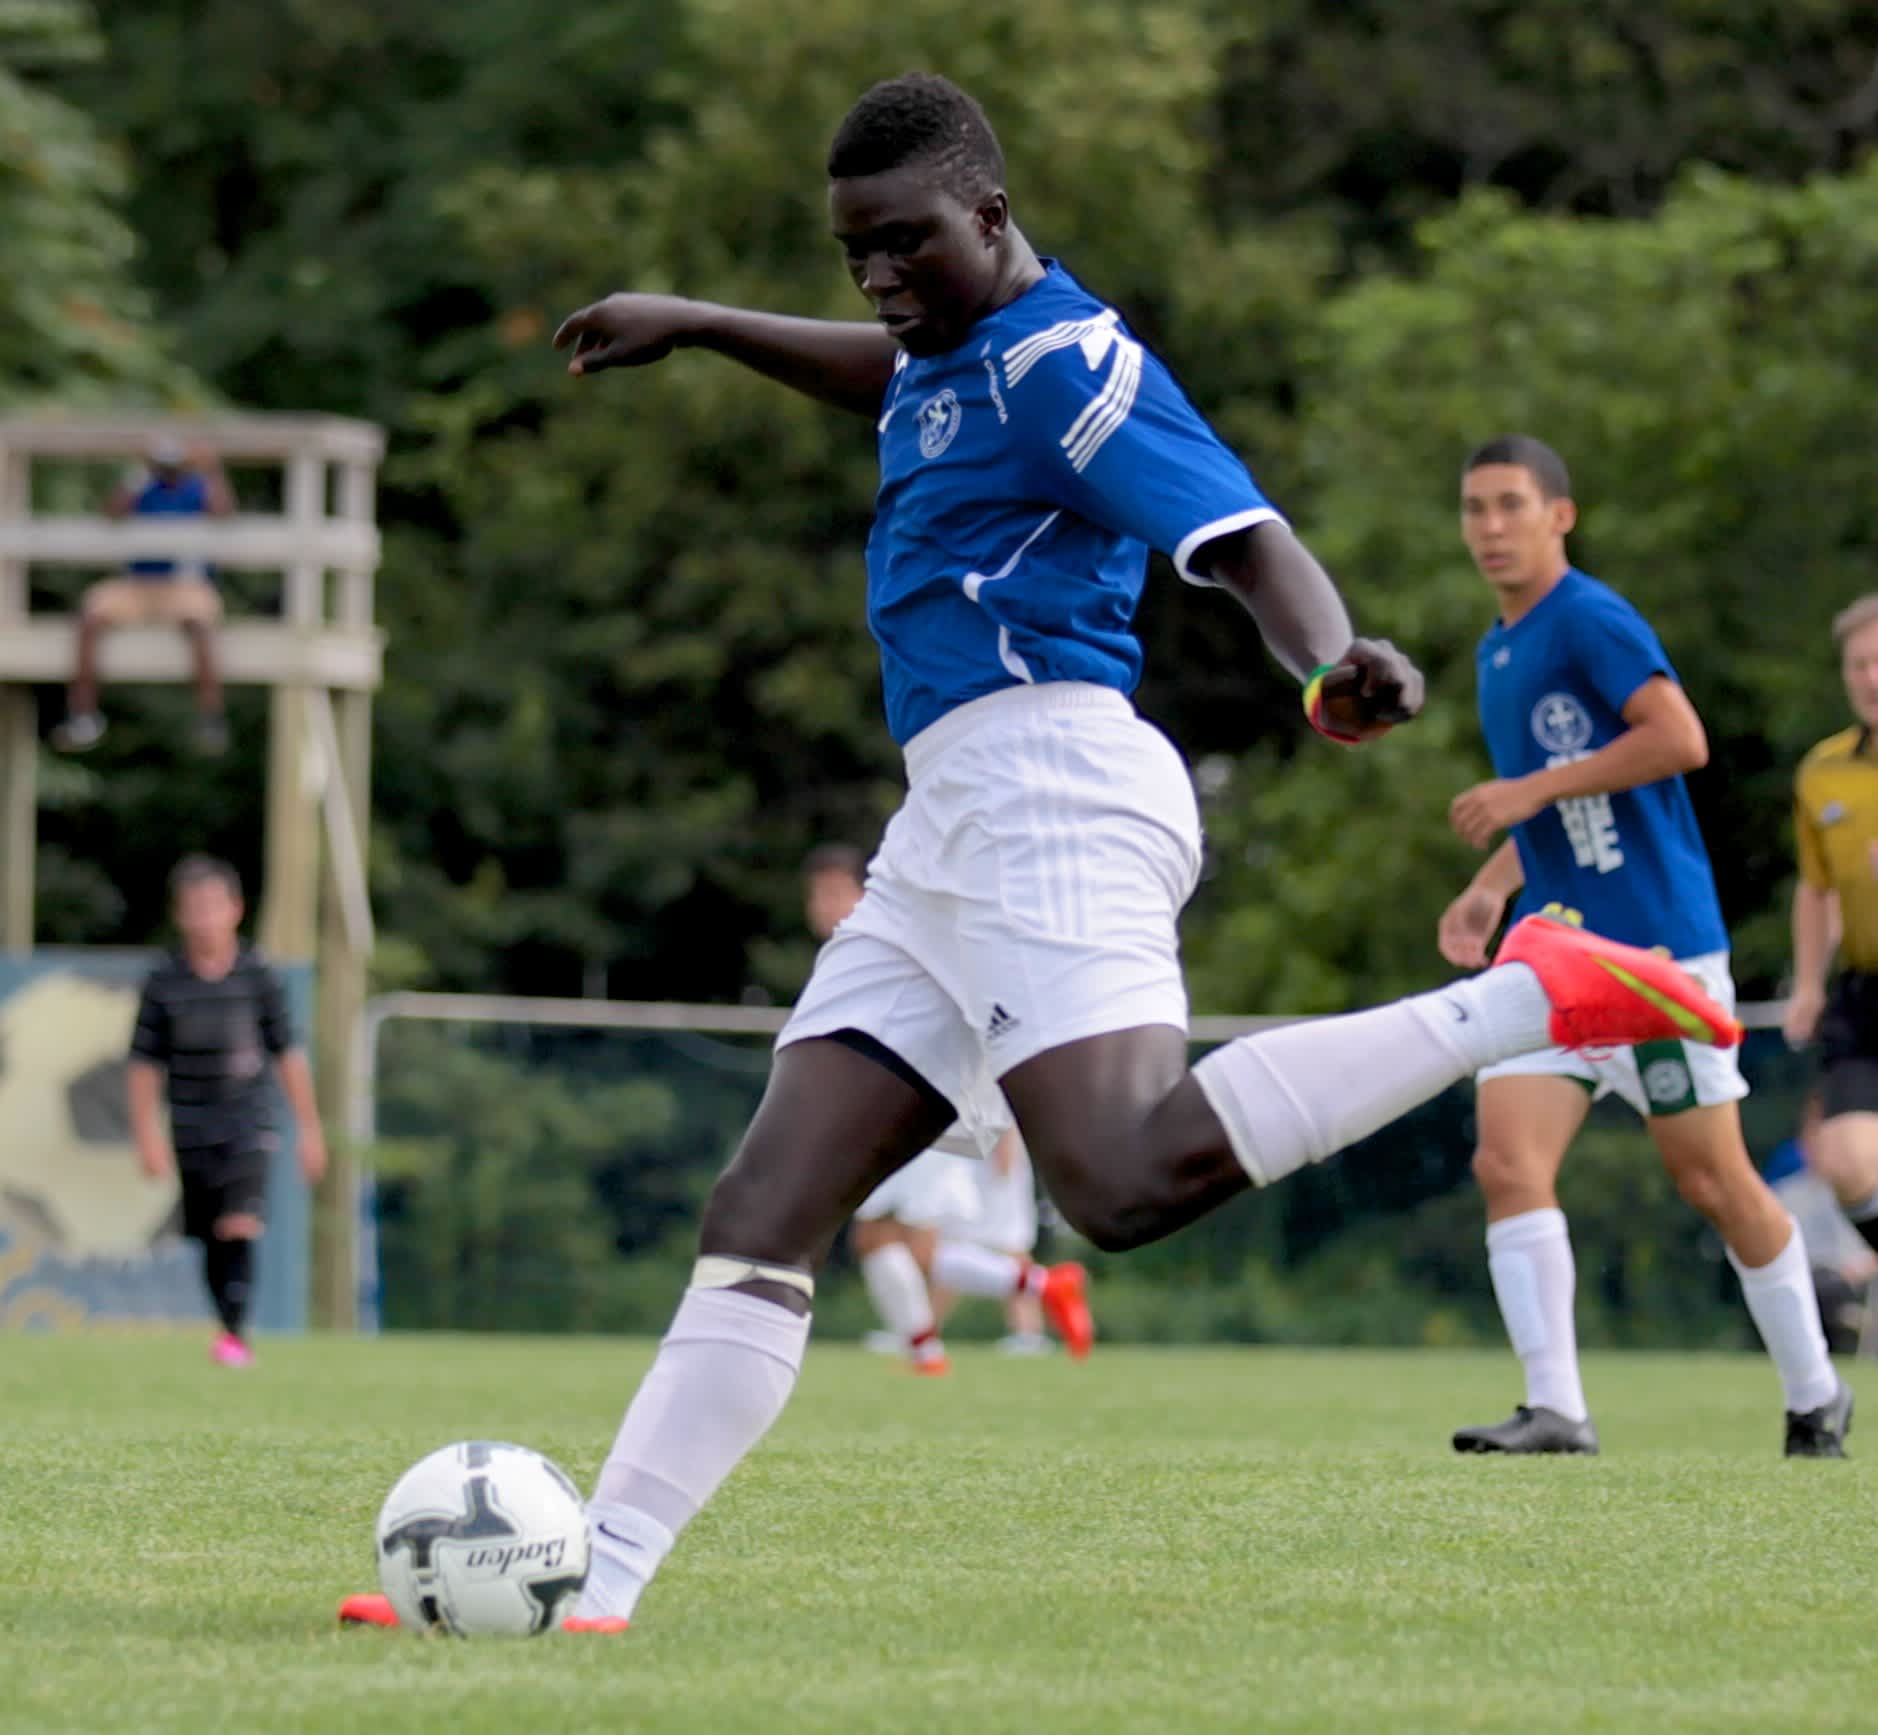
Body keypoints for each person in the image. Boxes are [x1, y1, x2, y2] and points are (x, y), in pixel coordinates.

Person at [339, 73, 1741, 1635]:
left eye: (904, 244)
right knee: (762, 1207)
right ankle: (590, 1584)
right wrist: (706, 322)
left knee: (1119, 1180)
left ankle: (1531, 995)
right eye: (854, 251)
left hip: (1052, 788)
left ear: (992, 216)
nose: (878, 278)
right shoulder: (945, 351)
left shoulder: (1066, 359)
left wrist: (1324, 664)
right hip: (946, 826)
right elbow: (894, 375)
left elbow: (1246, 536)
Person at [1438, 435, 1849, 1458]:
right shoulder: (1498, 650)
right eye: (1475, 508)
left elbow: (1679, 738)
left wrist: (1527, 790)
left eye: (1511, 504)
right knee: (1505, 1159)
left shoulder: (1590, 617)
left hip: (1655, 960)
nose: (1491, 526)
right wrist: (1490, 887)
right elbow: (1556, 812)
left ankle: (1816, 1392)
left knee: (1713, 1181)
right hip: (1554, 955)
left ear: (1560, 515)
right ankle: (1556, 1410)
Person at [802, 843, 1093, 1372]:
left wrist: (1001, 1120)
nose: (826, 906)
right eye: (818, 894)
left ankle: (936, 1341)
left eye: (836, 892)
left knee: (889, 1238)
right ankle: (1019, 1298)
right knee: (897, 1242)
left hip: (919, 1105)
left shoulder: (890, 943)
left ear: (865, 893)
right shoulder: (857, 953)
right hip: (901, 1108)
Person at [129, 855, 327, 1365]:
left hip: (248, 1121)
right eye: (194, 908)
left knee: (240, 1222)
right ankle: (229, 1329)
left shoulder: (259, 975)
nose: (205, 919)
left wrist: (310, 1128)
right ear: (179, 914)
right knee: (211, 1236)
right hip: (190, 1124)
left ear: (235, 909)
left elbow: (287, 1054)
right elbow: (144, 1064)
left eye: (214, 906)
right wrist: (147, 1135)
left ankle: (235, 1338)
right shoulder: (164, 981)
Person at [1785, 595, 1878, 1284]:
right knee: (1846, 1160)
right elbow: (1815, 887)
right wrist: (1809, 983)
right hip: (1864, 990)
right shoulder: (1823, 771)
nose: (1871, 678)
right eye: (1858, 664)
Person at [52, 437, 234, 755]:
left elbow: (223, 513)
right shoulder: (143, 486)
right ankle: (83, 715)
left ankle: (211, 718)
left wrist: (211, 469)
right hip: (138, 584)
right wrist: (138, 472)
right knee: (91, 615)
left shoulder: (198, 488)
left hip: (185, 584)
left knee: (201, 625)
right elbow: (111, 513)